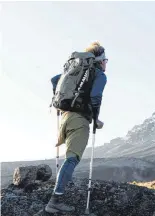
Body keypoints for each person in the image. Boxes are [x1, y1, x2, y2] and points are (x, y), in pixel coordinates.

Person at [45, 41, 108, 213]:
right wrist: (96, 119)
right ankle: (55, 201)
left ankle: (59, 192)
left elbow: (54, 80)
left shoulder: (75, 70)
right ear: (100, 59)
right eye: (106, 60)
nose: (106, 64)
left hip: (65, 117)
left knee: (69, 158)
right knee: (72, 159)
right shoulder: (98, 74)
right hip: (79, 120)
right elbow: (96, 96)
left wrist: (58, 101)